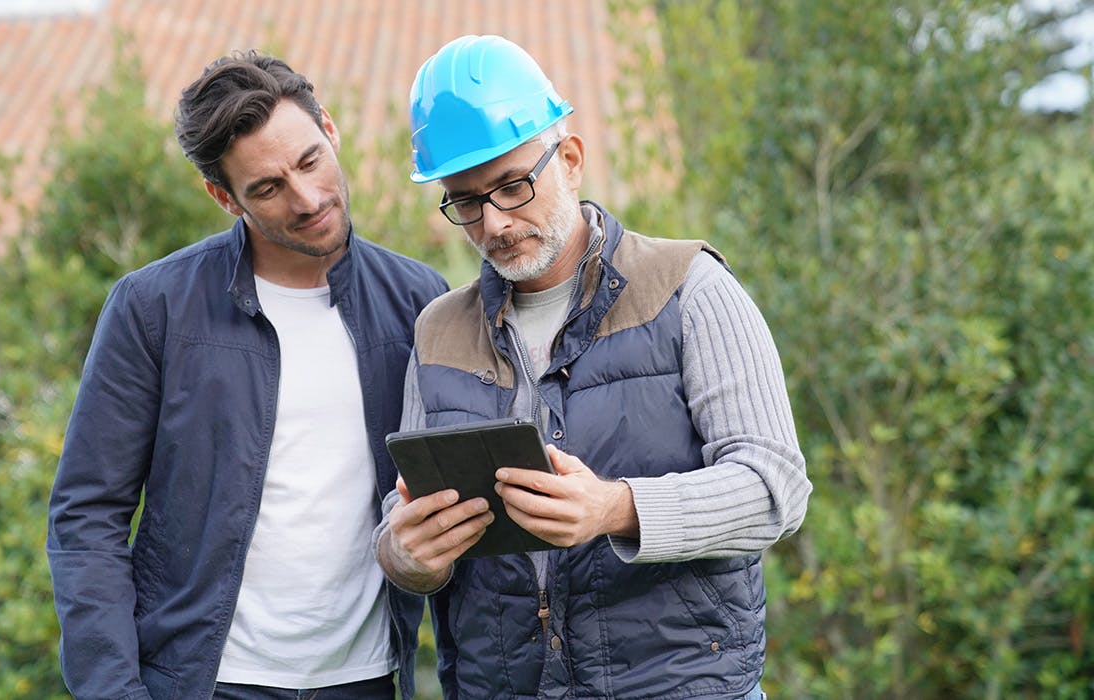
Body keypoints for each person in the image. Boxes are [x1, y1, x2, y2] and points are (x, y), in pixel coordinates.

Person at [375, 35, 812, 699]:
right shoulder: (438, 332)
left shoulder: (688, 288)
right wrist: (405, 555)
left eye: (513, 186)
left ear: (570, 160)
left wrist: (616, 508)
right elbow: (402, 512)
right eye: (466, 201)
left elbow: (775, 490)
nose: (493, 223)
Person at [46, 50, 447, 700]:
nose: (308, 198)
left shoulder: (417, 297)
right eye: (267, 188)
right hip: (208, 683)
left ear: (330, 128)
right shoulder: (154, 308)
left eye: (311, 160)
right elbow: (87, 516)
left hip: (367, 679)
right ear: (223, 196)